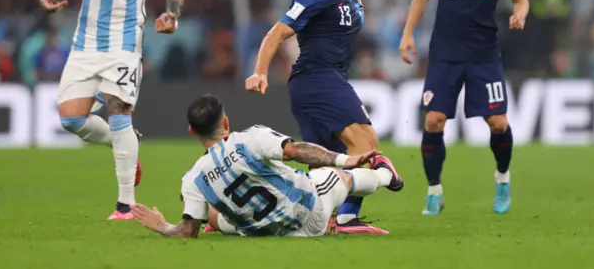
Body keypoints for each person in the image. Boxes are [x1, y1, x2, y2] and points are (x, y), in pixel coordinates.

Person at [38, 0, 184, 220]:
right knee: (71, 120)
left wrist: (171, 15)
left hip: (124, 46)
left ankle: (125, 206)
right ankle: (125, 144)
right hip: (84, 46)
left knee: (119, 111)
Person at [244, 0, 399, 234]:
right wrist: (260, 71)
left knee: (324, 166)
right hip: (317, 79)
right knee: (366, 146)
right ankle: (346, 217)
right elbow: (277, 32)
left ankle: (250, 211)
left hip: (323, 81)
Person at [399, 0, 530, 216]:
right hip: (445, 53)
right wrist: (407, 34)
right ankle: (434, 191)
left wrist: (521, 12)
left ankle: (502, 178)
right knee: (434, 120)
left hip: (484, 54)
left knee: (498, 123)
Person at [130, 94, 404, 238]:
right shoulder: (248, 138)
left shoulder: (192, 179)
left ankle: (223, 221)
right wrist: (344, 159)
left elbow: (188, 231)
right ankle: (383, 173)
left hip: (265, 233)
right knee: (340, 178)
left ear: (192, 131)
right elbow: (297, 151)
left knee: (217, 214)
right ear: (226, 123)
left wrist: (162, 225)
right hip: (310, 215)